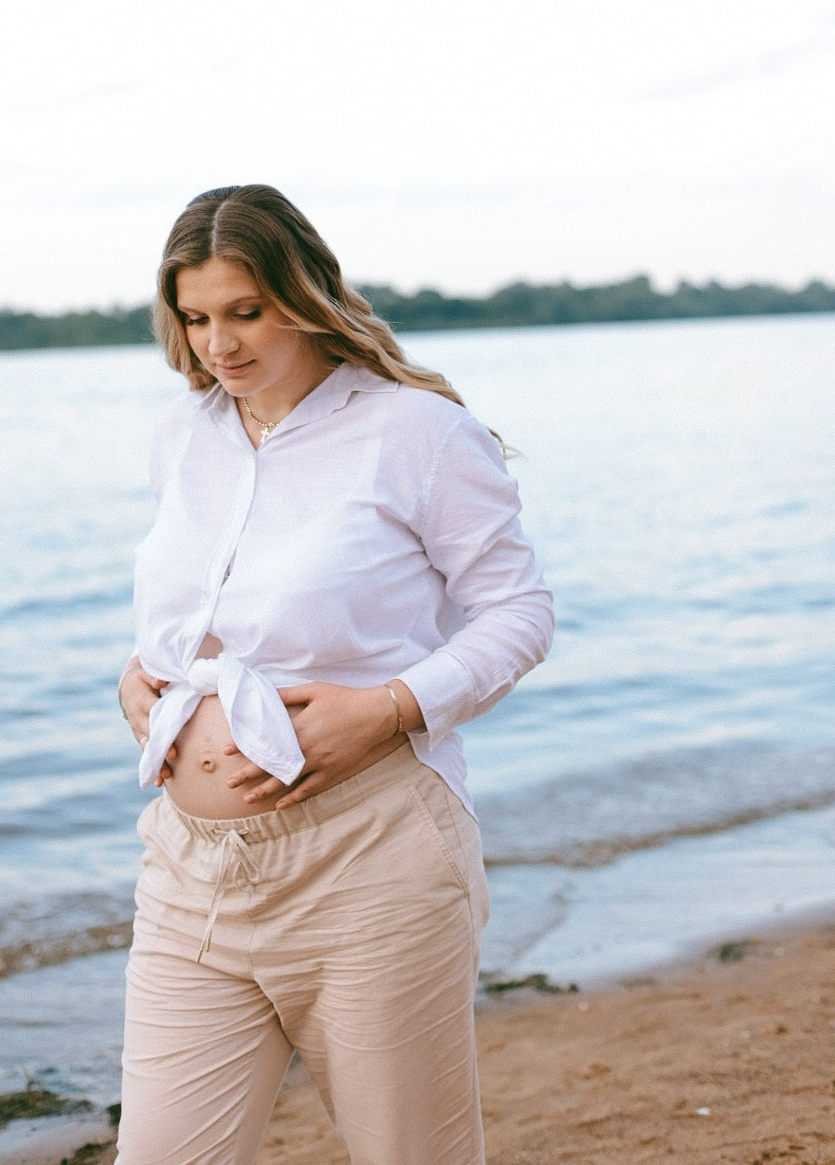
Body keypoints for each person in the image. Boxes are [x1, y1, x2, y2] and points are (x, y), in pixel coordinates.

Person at [115, 184, 553, 1165]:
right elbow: (208, 613)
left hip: (369, 859)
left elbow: (520, 613)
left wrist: (393, 708)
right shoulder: (184, 435)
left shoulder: (416, 433)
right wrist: (140, 675)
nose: (218, 344)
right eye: (195, 318)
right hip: (188, 868)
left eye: (245, 311)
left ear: (304, 293)